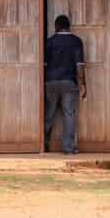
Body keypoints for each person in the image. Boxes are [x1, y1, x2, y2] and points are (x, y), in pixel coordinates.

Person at [43, 13, 86, 154]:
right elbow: (79, 66)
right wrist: (82, 85)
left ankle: (44, 144)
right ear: (68, 27)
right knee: (69, 114)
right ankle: (69, 148)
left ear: (56, 27)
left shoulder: (48, 42)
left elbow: (43, 65)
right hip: (69, 82)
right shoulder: (76, 41)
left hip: (50, 81)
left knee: (48, 113)